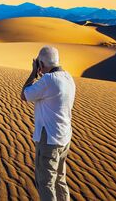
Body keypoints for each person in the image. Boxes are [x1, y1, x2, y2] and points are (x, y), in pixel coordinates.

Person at [21, 46, 76, 201]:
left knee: (45, 182)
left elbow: (24, 95)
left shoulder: (47, 80)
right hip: (64, 137)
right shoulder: (68, 77)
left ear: (41, 63)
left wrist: (33, 73)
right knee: (59, 179)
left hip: (49, 139)